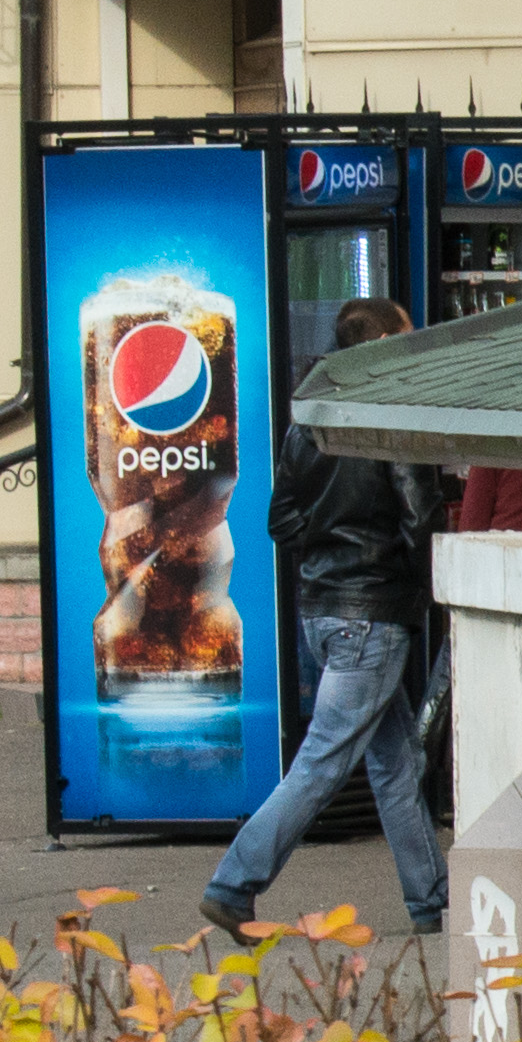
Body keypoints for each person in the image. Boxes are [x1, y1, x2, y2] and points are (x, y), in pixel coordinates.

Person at [201, 299, 449, 941]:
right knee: (324, 762)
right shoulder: (391, 413)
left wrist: (332, 543)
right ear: (385, 344)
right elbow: (420, 516)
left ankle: (433, 902)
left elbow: (280, 518)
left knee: (393, 762)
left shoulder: (309, 415)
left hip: (324, 611)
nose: (415, 341)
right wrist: (423, 581)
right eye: (407, 332)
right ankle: (234, 882)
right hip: (371, 614)